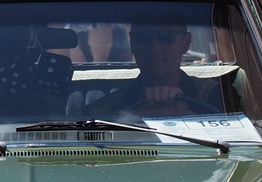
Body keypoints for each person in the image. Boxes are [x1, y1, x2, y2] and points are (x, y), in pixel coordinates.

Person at [86, 22, 220, 119]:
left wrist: (187, 117)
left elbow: (232, 141)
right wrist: (133, 119)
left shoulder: (215, 97)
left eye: (165, 37)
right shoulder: (103, 111)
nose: (154, 48)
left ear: (185, 42)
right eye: (143, 38)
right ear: (132, 43)